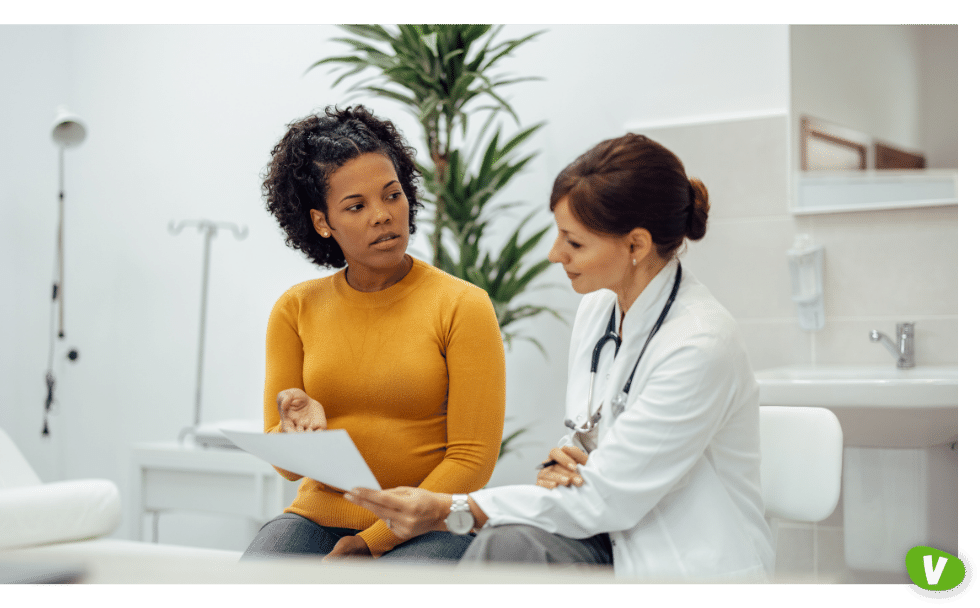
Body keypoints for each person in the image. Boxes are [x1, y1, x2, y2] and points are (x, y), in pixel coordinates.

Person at [345, 133, 775, 581]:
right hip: (608, 539)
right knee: (506, 544)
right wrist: (561, 463)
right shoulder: (599, 310)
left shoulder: (699, 345)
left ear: (636, 246)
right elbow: (581, 446)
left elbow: (604, 495)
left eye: (573, 242)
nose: (555, 254)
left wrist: (449, 509)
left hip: (685, 562)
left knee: (505, 545)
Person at [241, 105, 506, 563]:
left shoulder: (463, 305)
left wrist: (370, 543)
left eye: (392, 195)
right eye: (356, 206)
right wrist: (293, 430)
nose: (383, 216)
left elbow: (472, 460)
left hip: (429, 522)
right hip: (316, 517)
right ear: (323, 222)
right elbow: (285, 466)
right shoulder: (295, 308)